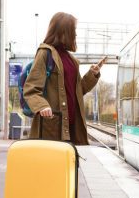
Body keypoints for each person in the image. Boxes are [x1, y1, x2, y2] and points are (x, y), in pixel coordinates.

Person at [24, 12, 104, 145]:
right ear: (63, 31)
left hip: (73, 126)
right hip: (53, 126)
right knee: (52, 164)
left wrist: (92, 74)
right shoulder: (45, 53)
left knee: (71, 164)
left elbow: (78, 90)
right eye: (73, 30)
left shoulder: (71, 60)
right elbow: (31, 89)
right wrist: (42, 106)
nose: (76, 34)